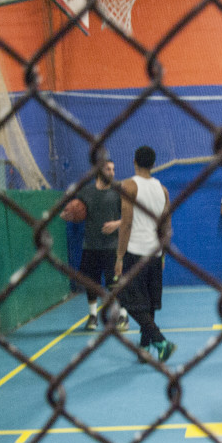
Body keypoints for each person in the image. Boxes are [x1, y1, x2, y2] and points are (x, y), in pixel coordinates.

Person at [112, 146, 176, 364]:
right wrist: (163, 253)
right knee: (148, 303)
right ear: (154, 164)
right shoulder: (162, 189)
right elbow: (167, 226)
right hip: (155, 253)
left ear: (134, 161)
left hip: (135, 252)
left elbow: (126, 223)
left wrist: (119, 256)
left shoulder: (128, 186)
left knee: (127, 300)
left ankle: (160, 341)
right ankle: (145, 347)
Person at [69, 156, 129, 332]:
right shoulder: (86, 192)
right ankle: (93, 316)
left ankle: (123, 315)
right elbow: (77, 212)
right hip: (90, 246)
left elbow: (130, 216)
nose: (112, 172)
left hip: (112, 247)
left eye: (113, 169)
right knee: (91, 283)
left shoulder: (118, 191)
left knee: (116, 284)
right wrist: (70, 214)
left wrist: (116, 223)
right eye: (108, 169)